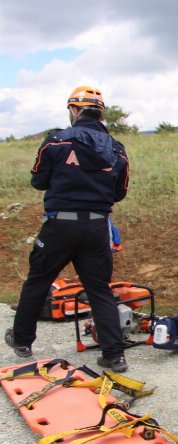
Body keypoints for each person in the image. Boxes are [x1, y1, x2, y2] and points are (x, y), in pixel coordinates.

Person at [4, 86, 131, 372]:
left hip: (59, 225)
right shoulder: (117, 149)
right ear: (100, 113)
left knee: (38, 280)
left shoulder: (56, 142)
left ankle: (22, 341)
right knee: (99, 290)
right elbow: (120, 193)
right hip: (97, 227)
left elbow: (38, 181)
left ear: (74, 110)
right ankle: (114, 356)